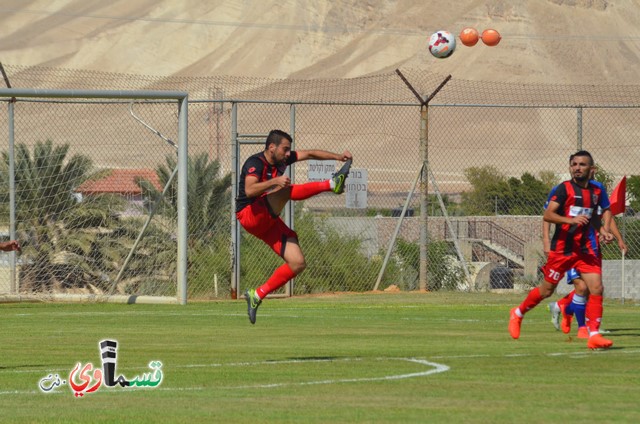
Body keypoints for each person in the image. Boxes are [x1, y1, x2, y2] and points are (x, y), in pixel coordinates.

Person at [237, 129, 352, 324]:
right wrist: (275, 181)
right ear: (271, 147)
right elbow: (249, 189)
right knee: (284, 191)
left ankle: (257, 294)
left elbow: (309, 153)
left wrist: (338, 156)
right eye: (285, 149)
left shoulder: (282, 159)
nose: (288, 153)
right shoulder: (255, 163)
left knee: (297, 262)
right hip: (250, 215)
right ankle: (332, 184)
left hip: (269, 221)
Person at [509, 150, 615, 349]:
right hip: (563, 249)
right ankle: (518, 313)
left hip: (585, 249)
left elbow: (593, 217)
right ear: (570, 168)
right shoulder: (563, 189)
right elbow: (548, 215)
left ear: (591, 169)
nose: (577, 168)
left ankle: (593, 335)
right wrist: (569, 220)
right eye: (574, 164)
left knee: (596, 288)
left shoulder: (597, 191)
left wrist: (603, 231)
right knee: (547, 290)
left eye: (582, 164)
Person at [547, 205, 627, 338]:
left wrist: (614, 236)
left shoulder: (597, 194)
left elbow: (608, 218)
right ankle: (585, 327)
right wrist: (546, 240)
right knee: (582, 287)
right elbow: (548, 216)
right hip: (573, 248)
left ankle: (564, 308)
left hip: (592, 250)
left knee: (590, 289)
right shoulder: (569, 194)